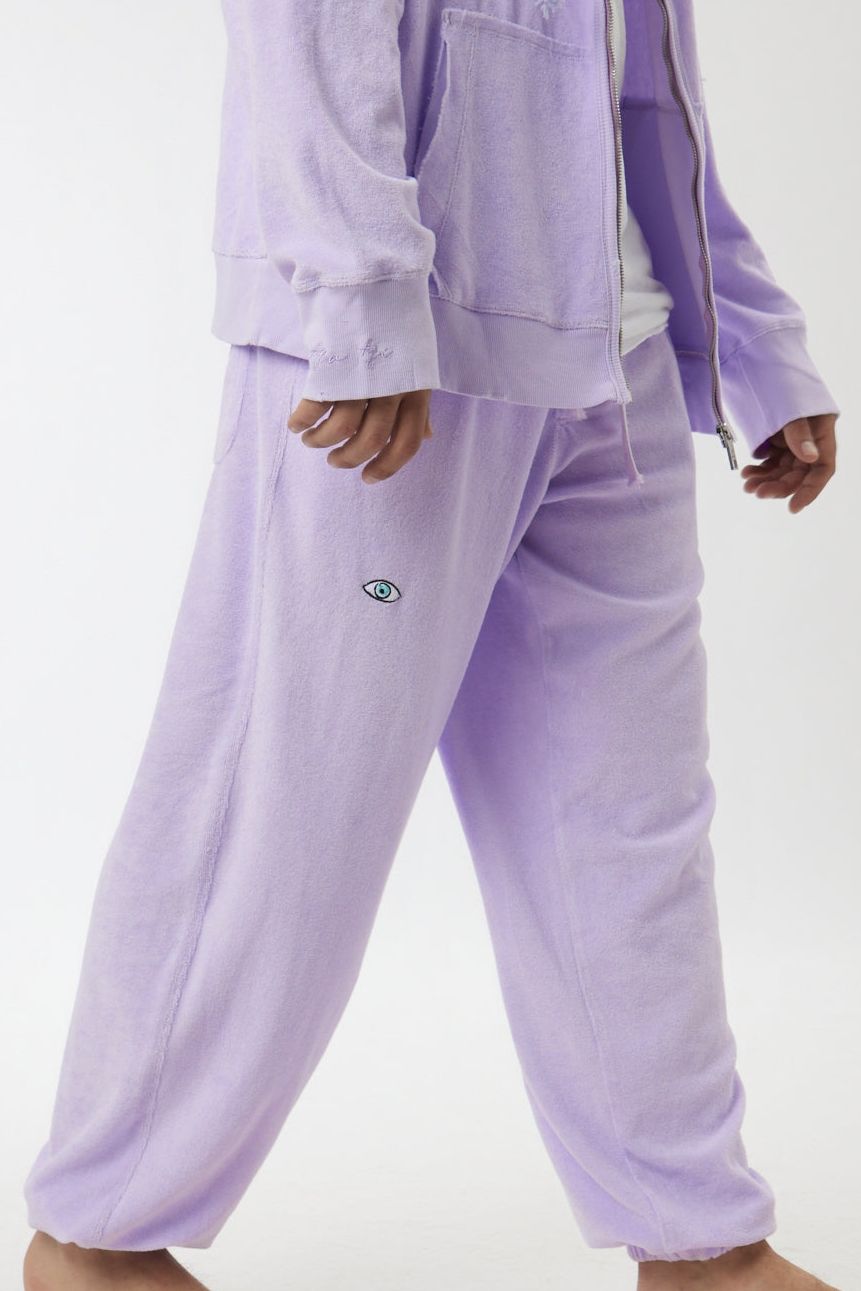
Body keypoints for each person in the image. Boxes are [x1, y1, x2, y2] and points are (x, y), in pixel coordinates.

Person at [22, 0, 843, 1287]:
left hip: (613, 357)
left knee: (628, 825)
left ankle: (701, 1242)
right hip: (403, 358)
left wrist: (743, 332)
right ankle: (99, 1234)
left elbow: (641, 69)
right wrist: (361, 290)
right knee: (288, 801)